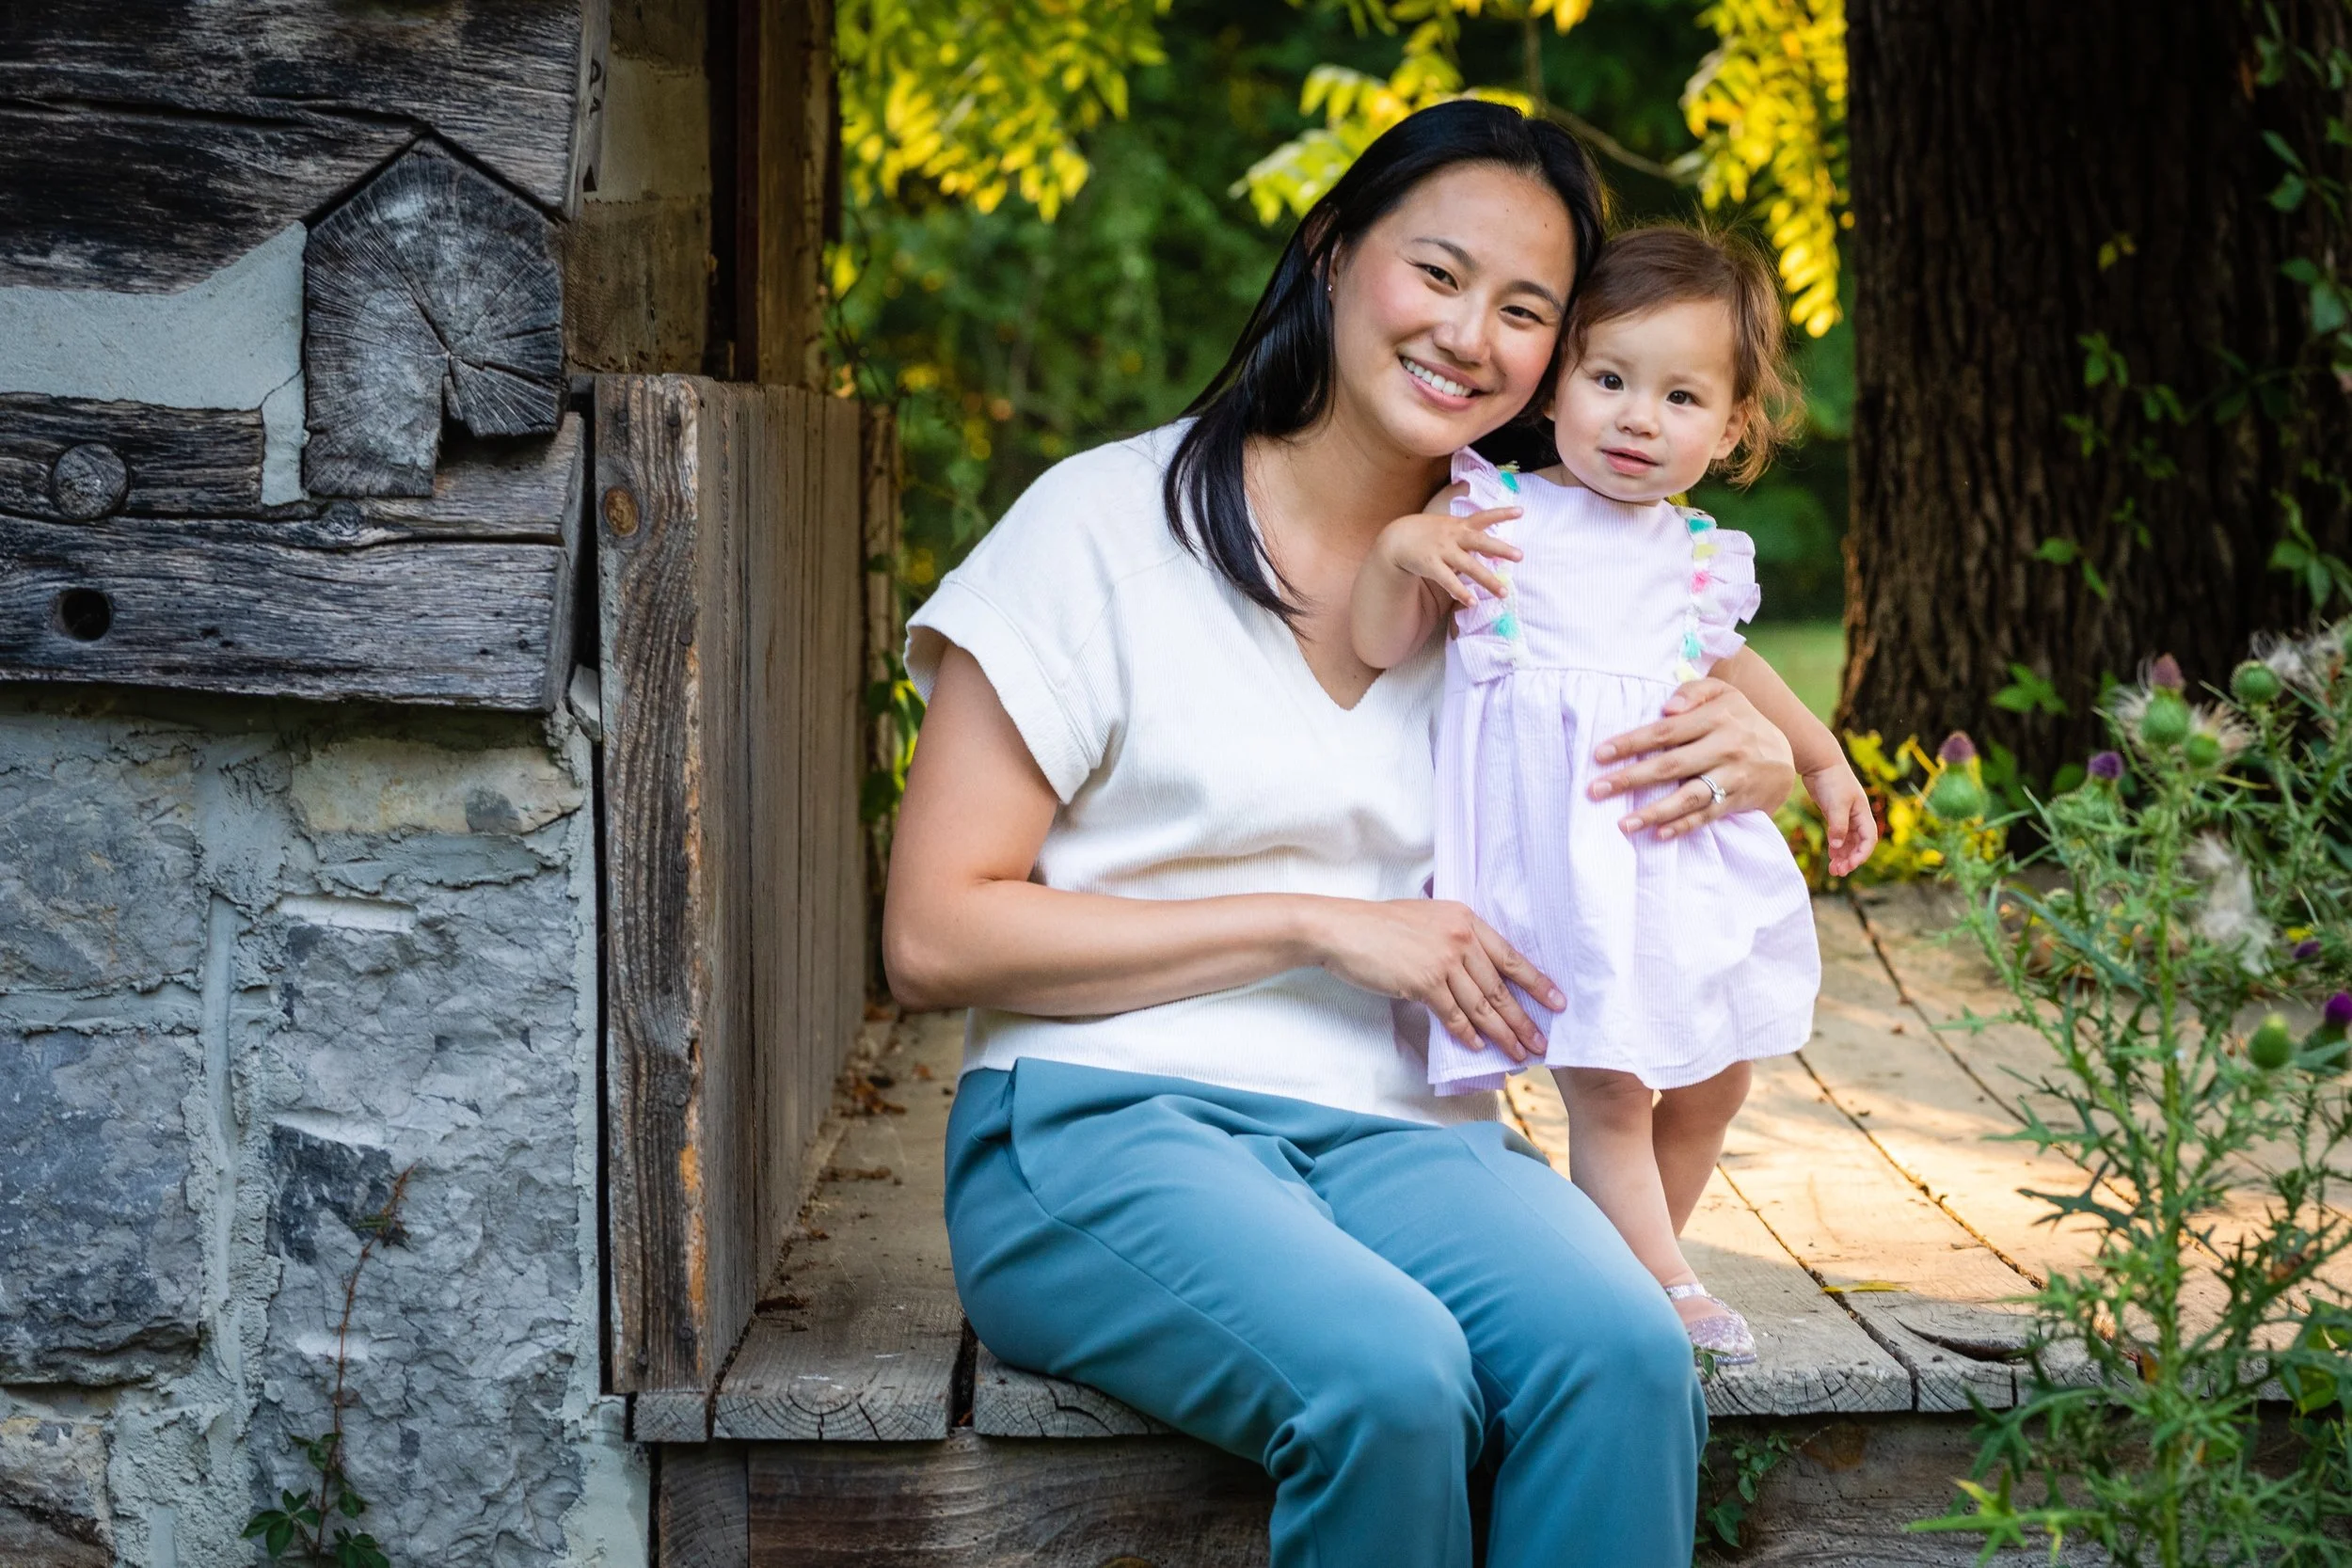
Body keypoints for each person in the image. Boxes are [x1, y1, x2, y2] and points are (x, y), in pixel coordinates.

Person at [883, 105, 1800, 1568]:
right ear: (1330, 257)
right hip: (1097, 1114)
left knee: (1626, 1357)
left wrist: (1751, 758)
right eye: (1435, 274)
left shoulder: (1545, 575)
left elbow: (1668, 790)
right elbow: (935, 931)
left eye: (1524, 310)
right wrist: (1315, 921)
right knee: (1388, 1380)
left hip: (1406, 1129)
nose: (1467, 334)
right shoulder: (1103, 524)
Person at [1348, 224, 1879, 1366]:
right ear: (1560, 385)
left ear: (1732, 425)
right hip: (1561, 868)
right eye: (1608, 379)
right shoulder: (1498, 515)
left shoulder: (1693, 552)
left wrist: (1823, 760)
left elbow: (1736, 668)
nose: (1638, 418)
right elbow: (1383, 646)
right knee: (1615, 1088)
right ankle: (1662, 1284)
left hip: (1670, 863)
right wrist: (1400, 552)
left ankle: (1624, 1258)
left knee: (1714, 1077)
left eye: (1681, 396)